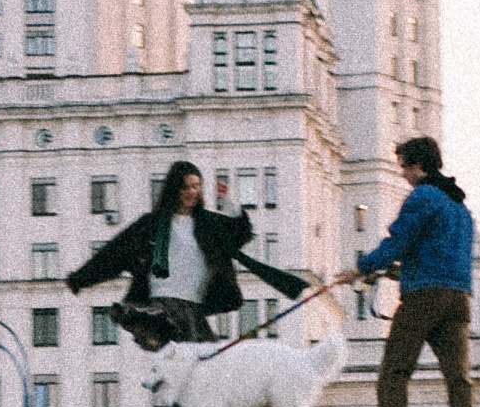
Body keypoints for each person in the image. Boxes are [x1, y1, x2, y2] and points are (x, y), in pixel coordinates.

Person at [66, 159, 309, 378]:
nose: (192, 192)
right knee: (188, 365)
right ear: (174, 189)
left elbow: (240, 233)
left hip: (193, 308)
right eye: (186, 187)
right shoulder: (152, 224)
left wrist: (230, 202)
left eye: (196, 186)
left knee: (206, 366)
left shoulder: (208, 223)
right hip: (163, 305)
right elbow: (114, 253)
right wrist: (79, 278)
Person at [355, 136, 477, 407]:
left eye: (405, 167)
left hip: (424, 297)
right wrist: (397, 271)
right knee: (456, 371)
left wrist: (362, 268)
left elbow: (398, 242)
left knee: (396, 363)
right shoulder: (460, 207)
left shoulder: (423, 197)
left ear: (419, 166)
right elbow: (439, 255)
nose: (403, 174)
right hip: (459, 298)